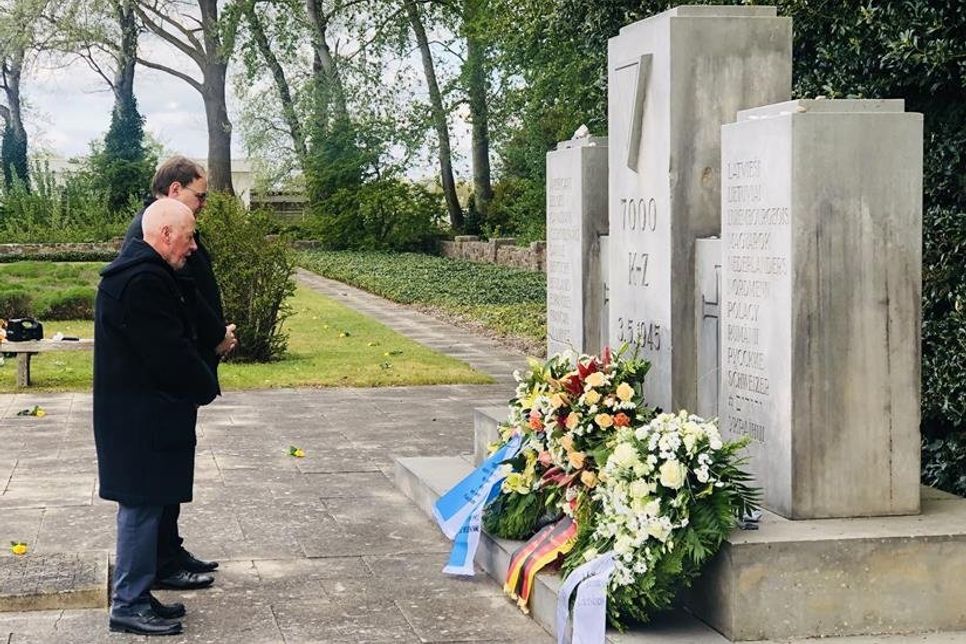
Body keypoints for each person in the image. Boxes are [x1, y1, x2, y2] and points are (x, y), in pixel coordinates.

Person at [94, 199, 220, 635]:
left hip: (140, 413)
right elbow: (168, 352)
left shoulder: (148, 272)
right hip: (138, 417)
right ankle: (127, 604)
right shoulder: (142, 281)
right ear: (166, 234)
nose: (192, 247)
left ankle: (139, 592)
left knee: (146, 503)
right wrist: (205, 381)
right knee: (140, 506)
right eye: (188, 237)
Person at [122, 156, 236, 591]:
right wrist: (214, 336)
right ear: (174, 190)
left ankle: (169, 547)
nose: (203, 202)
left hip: (186, 362)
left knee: (174, 462)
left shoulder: (172, 228)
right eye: (199, 194)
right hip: (171, 375)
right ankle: (162, 560)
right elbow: (183, 300)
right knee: (163, 469)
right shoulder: (153, 237)